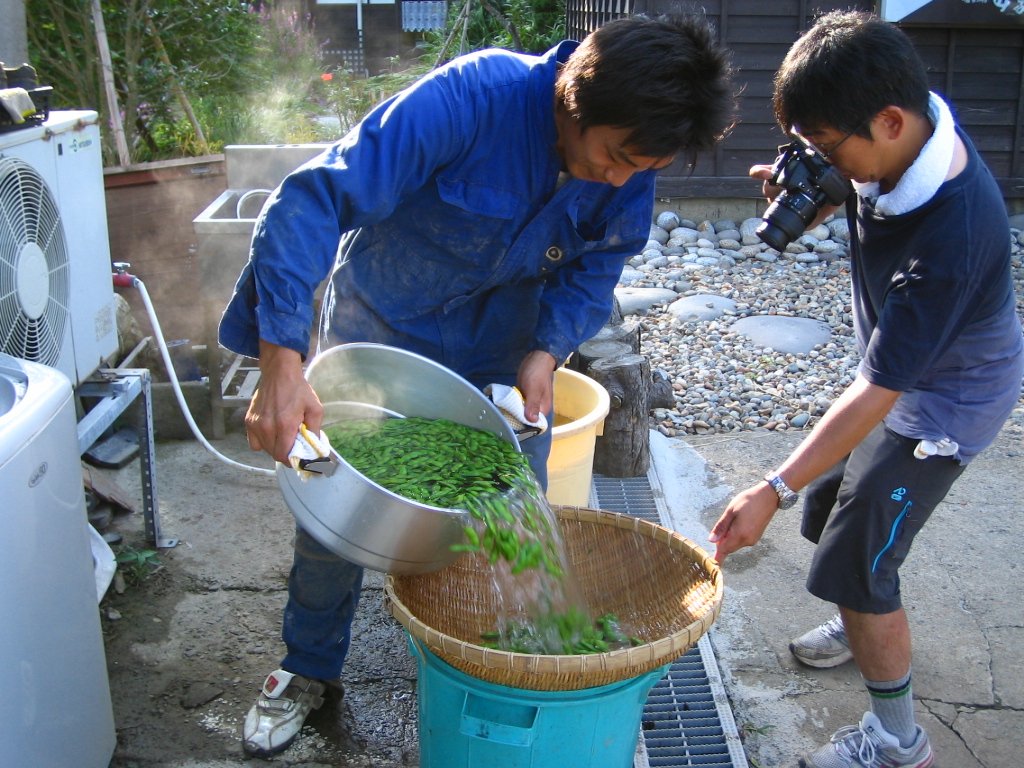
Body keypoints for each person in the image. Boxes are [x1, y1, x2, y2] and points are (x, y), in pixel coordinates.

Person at [219, 14, 734, 757]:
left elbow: (599, 265)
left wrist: (547, 351)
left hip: (502, 352)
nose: (621, 179)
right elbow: (310, 200)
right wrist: (282, 360)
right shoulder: (469, 100)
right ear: (574, 98)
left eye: (642, 167)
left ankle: (503, 661)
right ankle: (307, 666)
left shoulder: (630, 164)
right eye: (616, 156)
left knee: (510, 511)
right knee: (338, 510)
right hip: (384, 332)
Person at [709, 11, 1024, 768]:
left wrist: (772, 488)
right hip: (898, 377)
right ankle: (862, 622)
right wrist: (819, 187)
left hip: (947, 406)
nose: (823, 161)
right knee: (832, 502)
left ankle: (897, 742)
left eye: (826, 147)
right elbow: (856, 174)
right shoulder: (900, 139)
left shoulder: (954, 236)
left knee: (856, 557)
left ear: (887, 122)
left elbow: (878, 393)